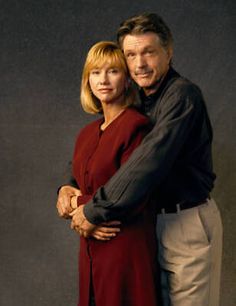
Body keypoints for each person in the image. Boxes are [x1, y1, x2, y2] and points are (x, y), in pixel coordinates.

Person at [57, 13, 223, 306]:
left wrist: (91, 211)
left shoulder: (182, 96)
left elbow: (146, 164)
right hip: (148, 224)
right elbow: (99, 156)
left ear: (168, 52)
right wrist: (67, 187)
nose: (140, 63)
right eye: (131, 55)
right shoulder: (137, 100)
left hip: (184, 222)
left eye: (149, 52)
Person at [57, 41, 160, 306]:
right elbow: (79, 182)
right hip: (90, 246)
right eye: (95, 72)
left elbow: (133, 195)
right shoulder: (86, 134)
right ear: (87, 80)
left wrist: (76, 203)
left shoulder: (136, 127)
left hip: (125, 246)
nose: (103, 79)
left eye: (112, 71)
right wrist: (64, 191)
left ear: (127, 79)